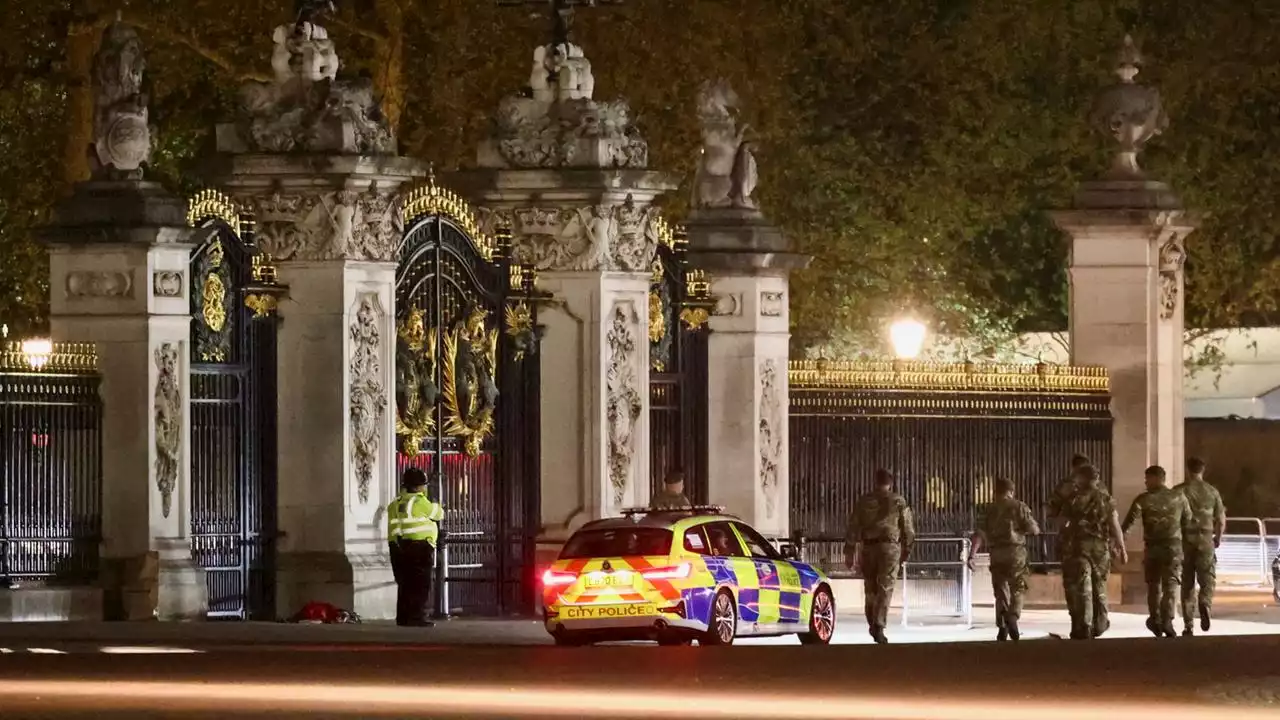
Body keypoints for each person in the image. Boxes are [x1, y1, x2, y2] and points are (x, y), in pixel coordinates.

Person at [845, 469, 915, 644]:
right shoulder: (898, 501)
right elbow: (908, 528)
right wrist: (907, 549)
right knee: (885, 587)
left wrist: (850, 550)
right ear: (890, 483)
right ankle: (879, 624)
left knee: (870, 587)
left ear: (875, 482)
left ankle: (872, 622)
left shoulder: (864, 501)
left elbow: (853, 527)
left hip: (868, 547)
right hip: (890, 548)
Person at [1121, 465, 1192, 638]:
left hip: (1153, 548)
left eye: (1147, 479)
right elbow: (1188, 520)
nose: (1145, 482)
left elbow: (1129, 522)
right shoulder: (1179, 497)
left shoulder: (1143, 499)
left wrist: (1119, 540)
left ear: (1155, 478)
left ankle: (1156, 619)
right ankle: (1167, 619)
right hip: (1173, 548)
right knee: (1171, 586)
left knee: (1154, 586)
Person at [967, 477, 1040, 642]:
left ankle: (1002, 626)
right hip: (1015, 553)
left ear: (995, 492)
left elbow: (979, 534)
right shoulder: (1019, 506)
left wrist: (972, 555)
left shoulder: (988, 510)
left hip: (996, 554)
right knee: (1018, 588)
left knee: (1001, 591)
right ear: (1011, 491)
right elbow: (1034, 529)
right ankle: (1013, 616)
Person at [1061, 464, 1128, 640]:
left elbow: (1063, 523)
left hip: (1079, 548)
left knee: (1083, 586)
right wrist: (1122, 547)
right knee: (1100, 585)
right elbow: (1114, 524)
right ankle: (1101, 621)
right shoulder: (1106, 499)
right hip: (1100, 549)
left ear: (1082, 478)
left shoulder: (1073, 499)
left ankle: (1084, 624)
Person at [386, 467, 445, 627]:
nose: (425, 488)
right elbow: (439, 513)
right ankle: (416, 616)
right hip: (420, 548)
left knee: (405, 585)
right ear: (418, 486)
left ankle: (403, 617)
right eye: (424, 485)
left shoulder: (395, 504)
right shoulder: (419, 501)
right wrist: (435, 502)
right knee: (420, 585)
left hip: (398, 547)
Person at [1175, 457, 1226, 636]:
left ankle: (1188, 625)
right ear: (1203, 470)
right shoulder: (1212, 492)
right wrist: (1217, 538)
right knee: (1207, 579)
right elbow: (1221, 519)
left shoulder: (1179, 491)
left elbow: (1172, 519)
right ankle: (1205, 602)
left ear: (1188, 470)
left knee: (1187, 583)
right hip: (1205, 541)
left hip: (1185, 542)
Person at [1046, 454, 1092, 561]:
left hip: (1075, 532)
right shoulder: (1092, 485)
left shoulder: (1066, 484)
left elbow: (1053, 506)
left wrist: (1058, 520)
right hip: (1083, 534)